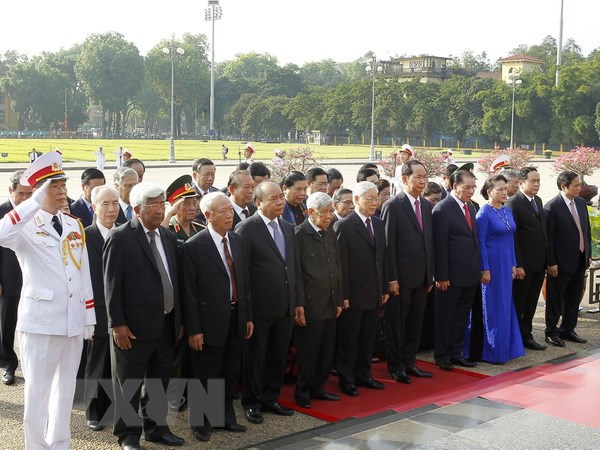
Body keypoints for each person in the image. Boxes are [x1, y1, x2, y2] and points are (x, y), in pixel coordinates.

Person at [0, 151, 95, 449]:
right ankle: (36, 446)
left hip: (72, 321)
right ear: (41, 190)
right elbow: (1, 233)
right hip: (41, 321)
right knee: (37, 394)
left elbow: (84, 274)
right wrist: (33, 200)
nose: (63, 190)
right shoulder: (24, 225)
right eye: (55, 186)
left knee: (64, 391)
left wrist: (89, 317)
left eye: (63, 184)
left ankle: (59, 443)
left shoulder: (72, 225)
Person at [104, 182, 185, 449]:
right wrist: (117, 324)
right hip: (133, 329)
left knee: (159, 382)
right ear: (138, 209)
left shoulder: (168, 237)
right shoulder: (121, 237)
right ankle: (127, 435)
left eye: (163, 203)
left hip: (166, 324)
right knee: (128, 384)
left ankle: (156, 429)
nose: (161, 209)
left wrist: (180, 319)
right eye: (155, 205)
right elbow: (111, 286)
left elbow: (176, 281)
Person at [181, 192, 253, 441]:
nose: (229, 215)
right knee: (205, 373)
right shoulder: (194, 246)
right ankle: (200, 421)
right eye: (223, 211)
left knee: (231, 370)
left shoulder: (237, 240)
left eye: (230, 210)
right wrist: (194, 329)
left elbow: (244, 282)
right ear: (208, 215)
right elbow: (188, 293)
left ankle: (224, 416)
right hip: (207, 321)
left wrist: (247, 316)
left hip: (236, 316)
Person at [235, 181, 300, 424]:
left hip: (285, 306)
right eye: (273, 198)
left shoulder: (286, 227)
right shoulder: (246, 228)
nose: (280, 202)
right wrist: (247, 313)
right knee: (255, 356)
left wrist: (296, 301)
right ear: (258, 202)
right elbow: (242, 276)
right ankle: (251, 401)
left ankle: (270, 397)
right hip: (260, 308)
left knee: (278, 354)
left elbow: (292, 268)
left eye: (281, 197)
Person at [381, 160, 435, 383]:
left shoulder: (425, 205)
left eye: (425, 177)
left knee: (415, 322)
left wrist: (430, 274)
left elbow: (428, 243)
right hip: (400, 279)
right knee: (397, 324)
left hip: (422, 277)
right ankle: (396, 366)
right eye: (418, 177)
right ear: (405, 179)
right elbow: (387, 246)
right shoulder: (393, 205)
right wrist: (391, 278)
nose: (423, 182)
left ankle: (410, 361)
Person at [334, 181, 388, 397]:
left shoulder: (379, 223)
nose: (375, 203)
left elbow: (382, 260)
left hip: (374, 293)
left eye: (377, 198)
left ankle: (364, 374)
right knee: (350, 339)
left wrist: (384, 286)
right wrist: (344, 294)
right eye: (370, 199)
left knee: (368, 338)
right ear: (356, 200)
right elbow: (341, 265)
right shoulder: (344, 226)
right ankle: (346, 379)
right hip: (353, 295)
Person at [466, 175, 524, 364]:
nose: (504, 192)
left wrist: (514, 264)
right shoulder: (483, 214)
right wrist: (485, 269)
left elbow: (511, 240)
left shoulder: (507, 211)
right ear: (489, 191)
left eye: (505, 188)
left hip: (506, 264)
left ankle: (506, 348)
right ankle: (490, 350)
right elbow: (480, 243)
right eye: (499, 189)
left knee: (506, 307)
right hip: (491, 265)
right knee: (492, 308)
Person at [293, 192, 343, 409]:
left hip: (331, 303)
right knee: (309, 352)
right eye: (326, 212)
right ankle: (302, 392)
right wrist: (299, 305)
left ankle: (319, 388)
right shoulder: (299, 236)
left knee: (326, 351)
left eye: (332, 211)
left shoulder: (330, 233)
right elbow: (296, 274)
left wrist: (339, 299)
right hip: (311, 306)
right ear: (311, 212)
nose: (330, 216)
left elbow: (337, 268)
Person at [432, 169, 480, 371]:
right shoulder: (443, 209)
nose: (470, 191)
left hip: (469, 273)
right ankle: (442, 354)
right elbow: (439, 245)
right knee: (446, 316)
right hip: (450, 276)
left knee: (462, 315)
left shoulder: (470, 207)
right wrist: (441, 275)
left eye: (473, 187)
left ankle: (456, 352)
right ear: (454, 186)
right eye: (466, 187)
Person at [84, 186, 120, 432]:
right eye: (105, 204)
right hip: (95, 309)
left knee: (117, 363)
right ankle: (93, 410)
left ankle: (113, 408)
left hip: (121, 311)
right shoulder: (83, 237)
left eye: (115, 203)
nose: (111, 209)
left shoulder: (126, 234)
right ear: (94, 207)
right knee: (97, 361)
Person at [544, 171, 591, 347]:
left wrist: (588, 255)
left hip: (579, 260)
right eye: (576, 185)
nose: (579, 188)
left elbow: (585, 231)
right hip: (560, 263)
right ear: (564, 187)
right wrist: (551, 262)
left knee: (574, 298)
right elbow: (548, 239)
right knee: (556, 299)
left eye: (579, 185)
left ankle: (568, 329)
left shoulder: (580, 203)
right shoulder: (552, 207)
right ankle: (551, 331)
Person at [506, 167, 549, 350]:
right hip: (524, 264)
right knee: (519, 302)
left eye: (538, 180)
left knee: (532, 302)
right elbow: (514, 238)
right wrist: (519, 264)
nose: (536, 184)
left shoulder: (538, 201)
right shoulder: (513, 203)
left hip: (539, 263)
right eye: (533, 181)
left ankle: (527, 334)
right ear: (521, 182)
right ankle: (514, 337)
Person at [0, 170, 32, 386]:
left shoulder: (36, 211)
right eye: (21, 194)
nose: (25, 199)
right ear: (10, 190)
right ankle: (8, 364)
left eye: (30, 194)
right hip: (8, 278)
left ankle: (32, 367)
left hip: (34, 279)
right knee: (6, 323)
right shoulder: (2, 212)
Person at [162, 175, 204, 245]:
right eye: (187, 203)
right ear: (174, 205)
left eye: (194, 203)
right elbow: (160, 238)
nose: (193, 208)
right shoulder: (168, 227)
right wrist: (170, 214)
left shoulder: (200, 227)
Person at [191, 158, 219, 225]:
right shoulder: (190, 195)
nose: (210, 178)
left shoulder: (217, 193)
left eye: (213, 174)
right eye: (206, 175)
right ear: (195, 176)